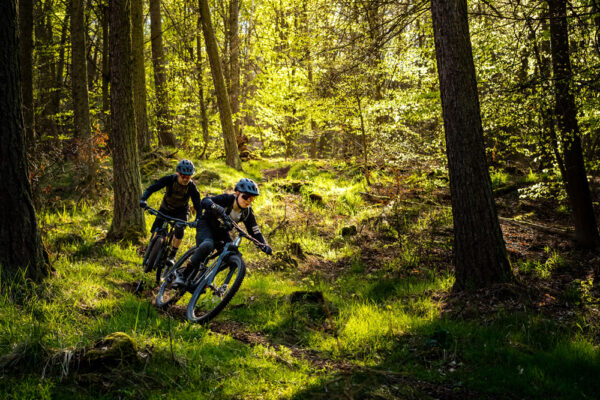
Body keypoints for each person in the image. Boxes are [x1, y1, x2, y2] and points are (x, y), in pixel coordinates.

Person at [173, 177, 272, 286]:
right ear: (237, 193)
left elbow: (255, 232)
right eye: (245, 196)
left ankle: (205, 281)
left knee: (234, 255)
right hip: (206, 224)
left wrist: (264, 245)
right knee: (207, 245)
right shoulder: (227, 199)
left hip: (222, 233)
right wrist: (214, 206)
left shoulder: (247, 213)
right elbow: (205, 201)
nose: (248, 201)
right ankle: (183, 274)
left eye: (251, 198)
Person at [139, 159, 202, 267]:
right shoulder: (170, 179)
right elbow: (152, 188)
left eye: (188, 176)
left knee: (179, 228)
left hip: (181, 211)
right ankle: (152, 247)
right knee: (156, 228)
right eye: (183, 175)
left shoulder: (191, 187)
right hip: (165, 208)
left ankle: (172, 254)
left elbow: (197, 204)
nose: (185, 178)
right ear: (178, 173)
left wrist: (198, 219)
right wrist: (143, 199)